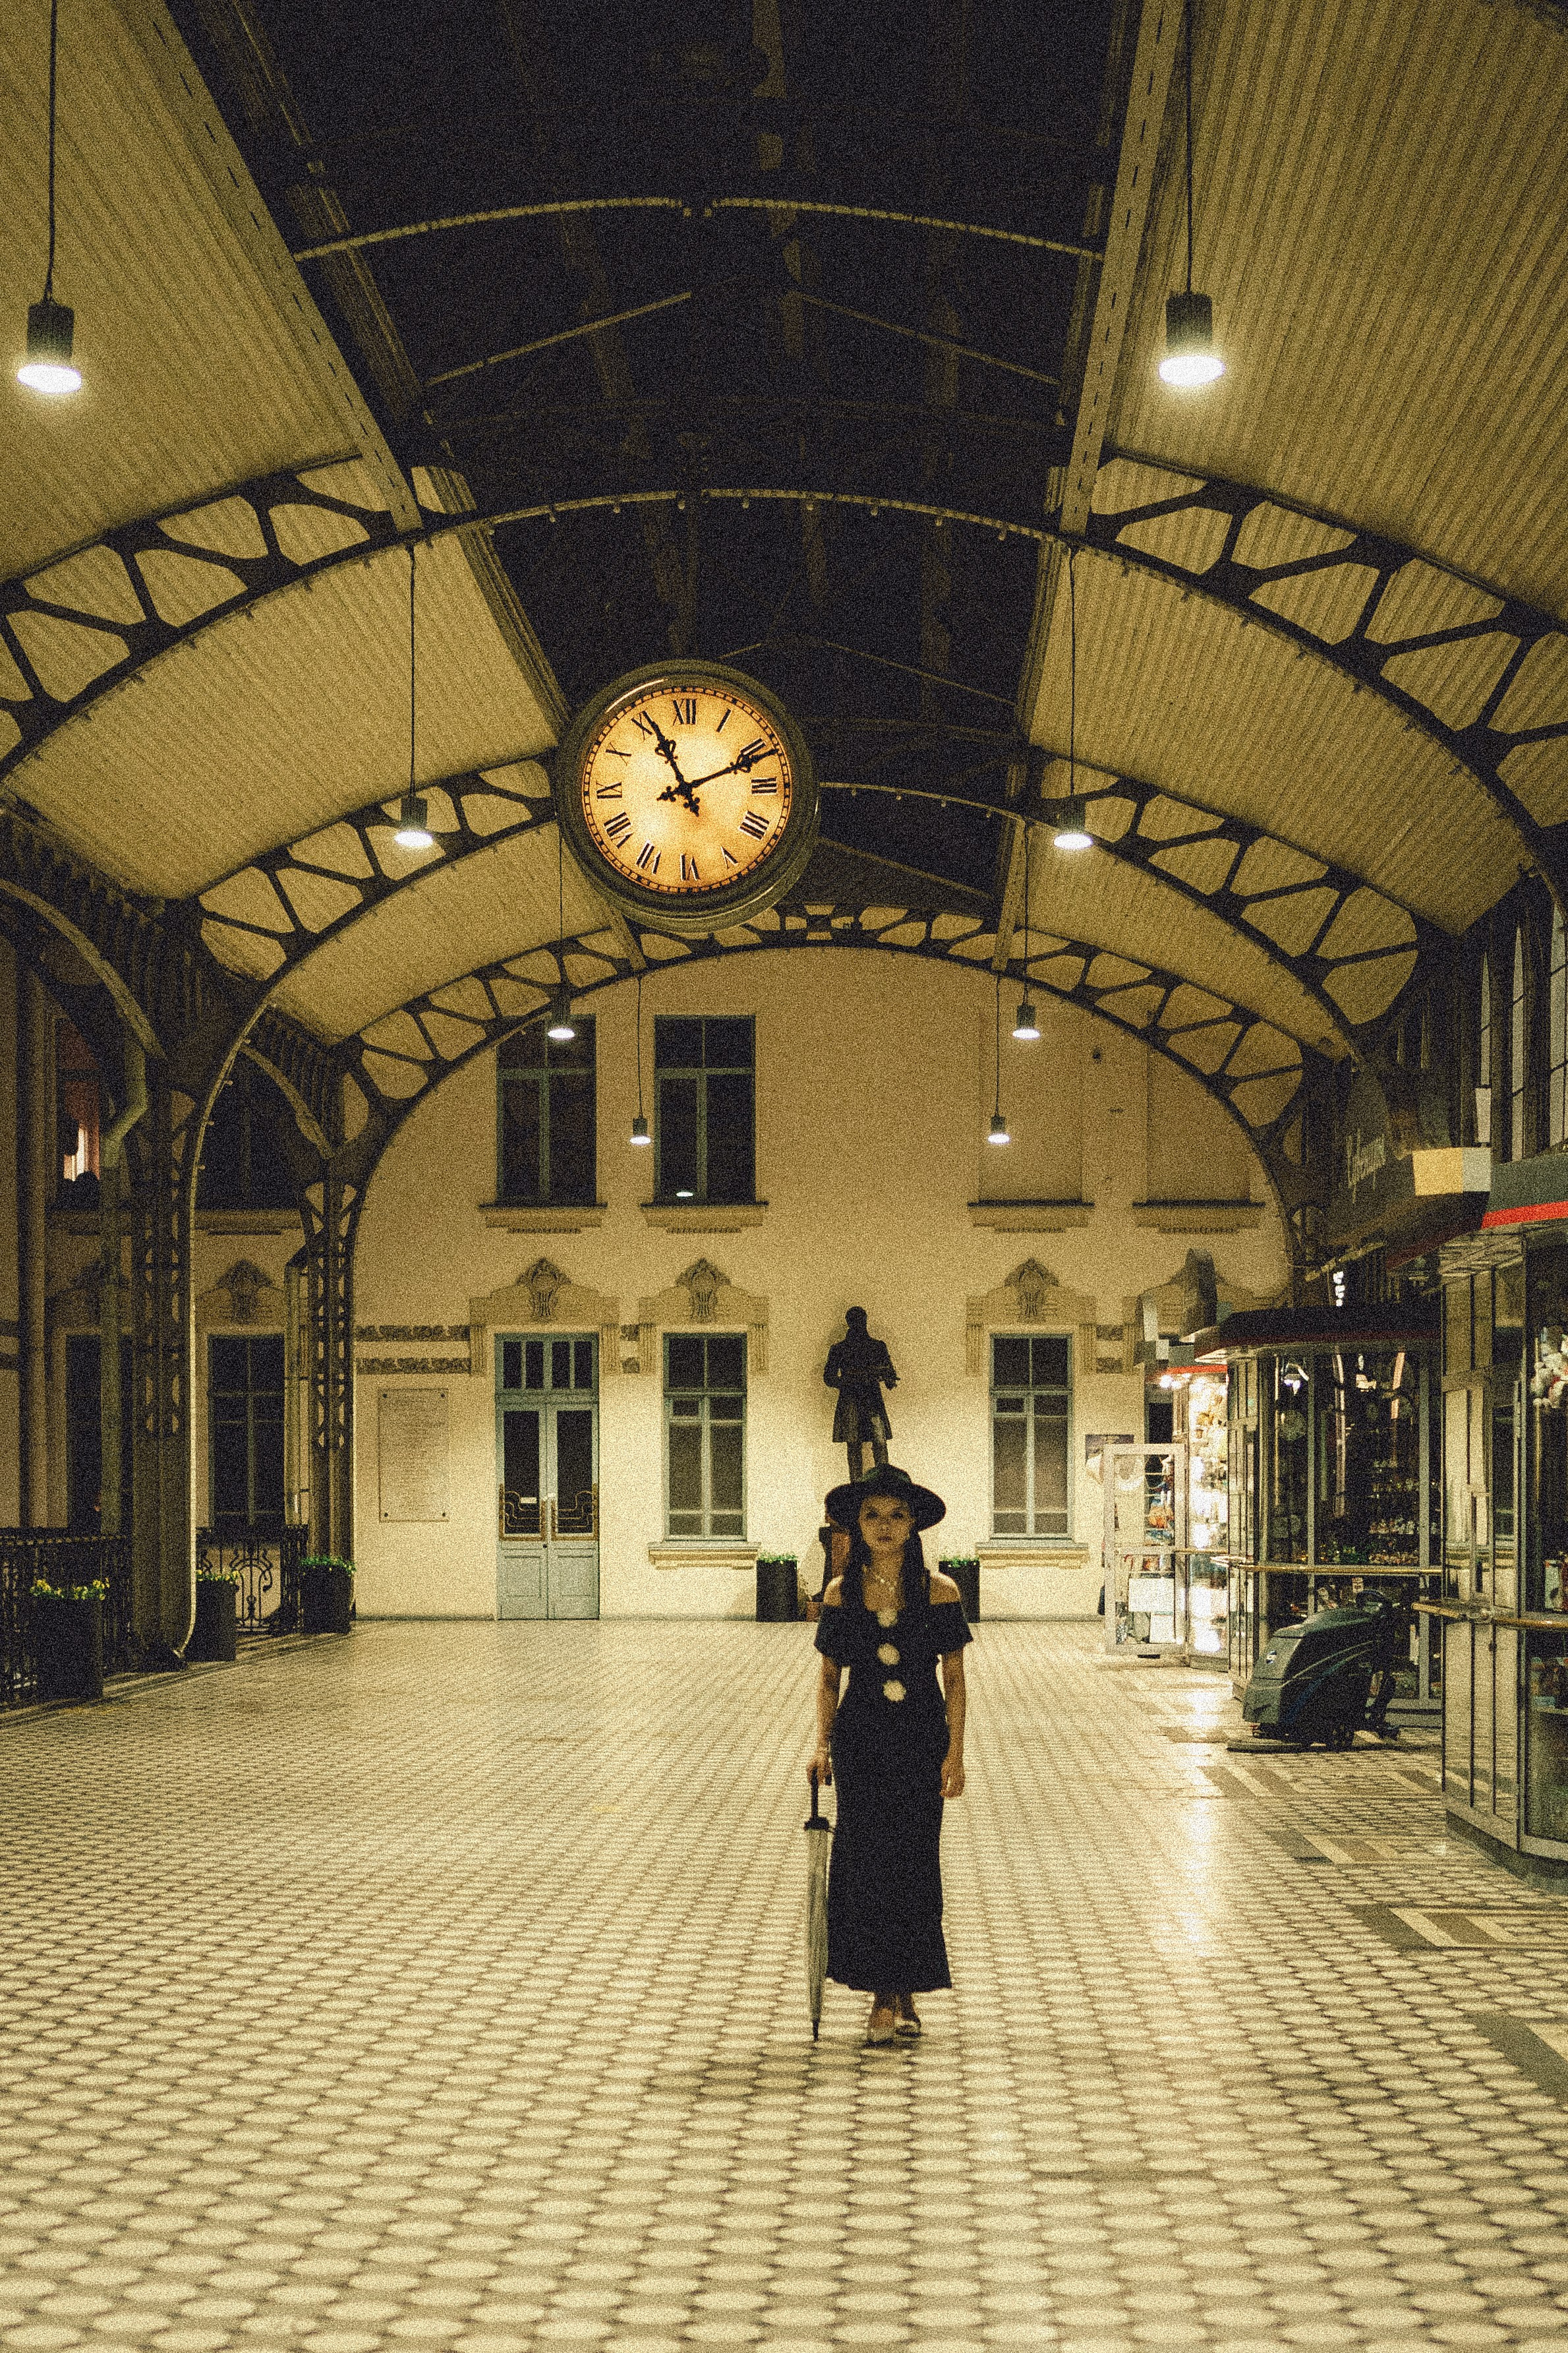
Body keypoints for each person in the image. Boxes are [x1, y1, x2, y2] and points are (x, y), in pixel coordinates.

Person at [806, 1462, 971, 2046]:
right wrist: (822, 1744)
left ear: (912, 1525)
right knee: (867, 1865)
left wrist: (955, 1752)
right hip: (863, 1741)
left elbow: (955, 1678)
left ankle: (905, 1992)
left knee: (914, 1863)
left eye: (896, 1515)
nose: (884, 1525)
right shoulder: (840, 1593)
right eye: (872, 1514)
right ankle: (884, 1994)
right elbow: (829, 1678)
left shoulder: (940, 1591)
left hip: (920, 1740)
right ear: (856, 1524)